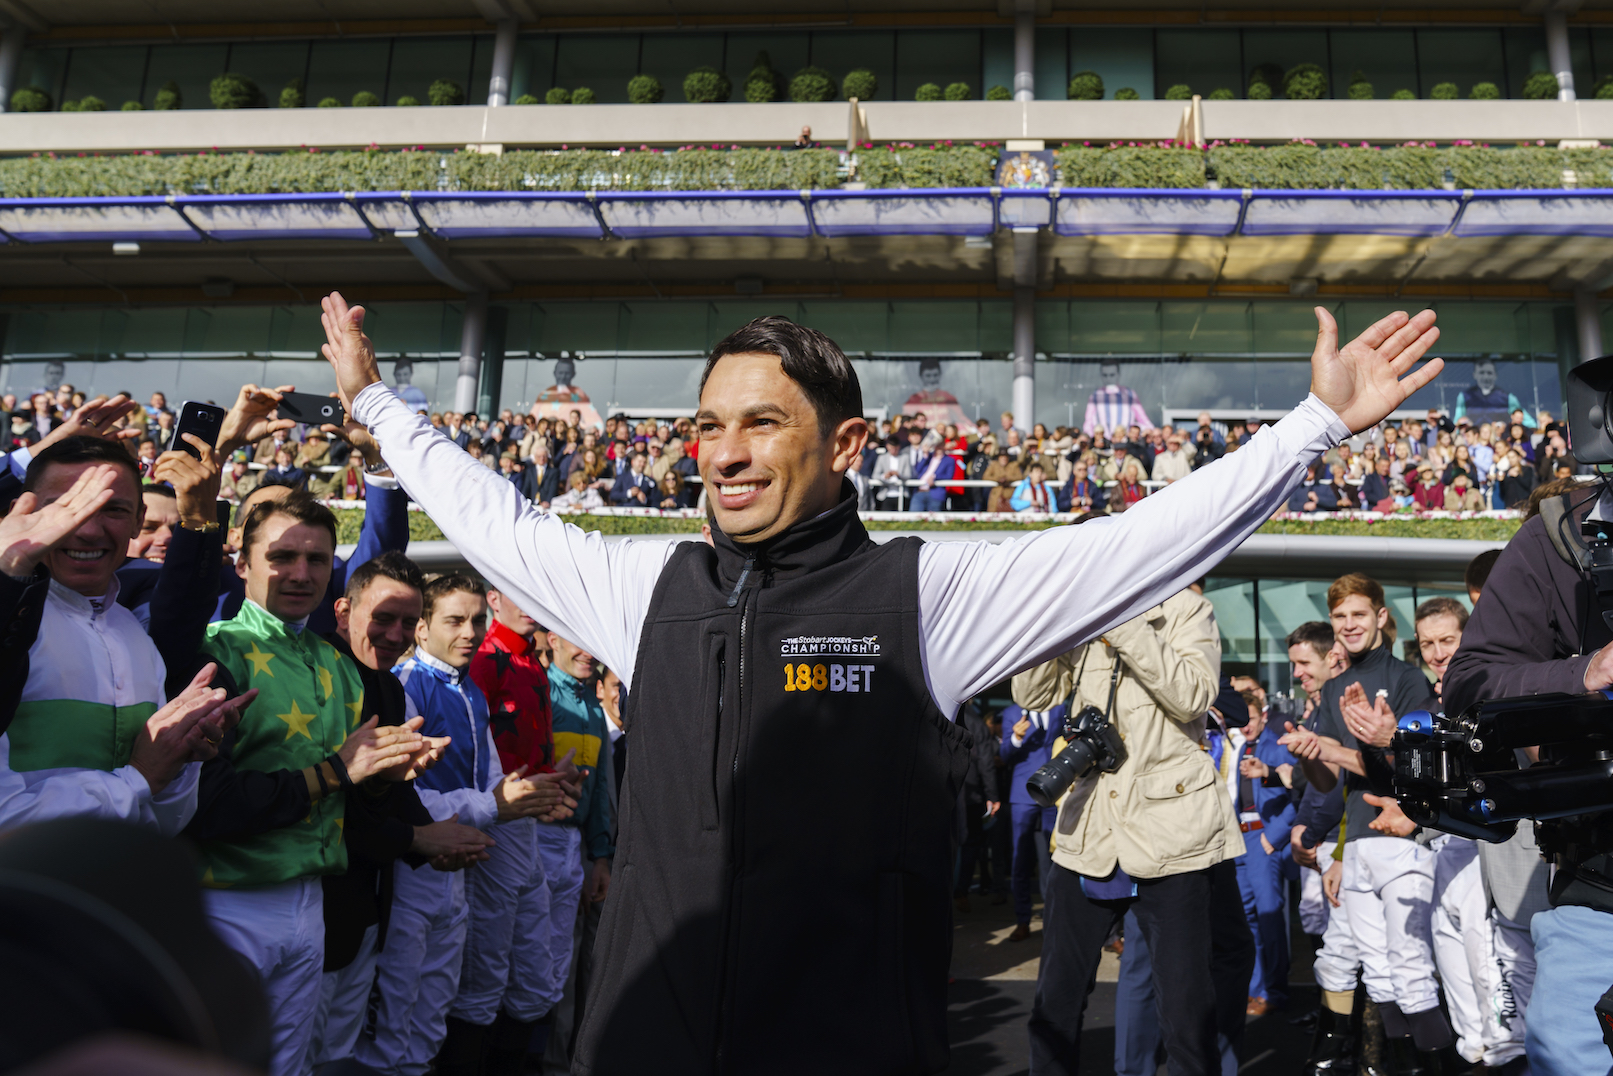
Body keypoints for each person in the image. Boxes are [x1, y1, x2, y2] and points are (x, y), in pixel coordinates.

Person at [319, 289, 1441, 1074]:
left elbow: (1134, 546)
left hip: (844, 1046)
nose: (724, 452)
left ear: (847, 443)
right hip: (640, 1042)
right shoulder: (639, 589)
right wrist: (374, 405)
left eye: (762, 422)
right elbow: (490, 517)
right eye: (709, 425)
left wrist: (1311, 426)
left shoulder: (925, 594)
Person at [187, 491, 436, 1076]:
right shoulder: (213, 652)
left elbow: (347, 792)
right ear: (242, 563)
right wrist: (339, 772)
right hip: (227, 903)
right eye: (282, 556)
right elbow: (205, 803)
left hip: (311, 906)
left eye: (317, 560)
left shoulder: (336, 664)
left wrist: (382, 777)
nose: (301, 574)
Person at [1013, 584, 1251, 1075]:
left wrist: (1120, 619)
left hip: (1173, 833)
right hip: (1087, 829)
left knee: (1185, 1012)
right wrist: (1049, 614)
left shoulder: (1187, 608)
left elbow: (1192, 698)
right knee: (1054, 1001)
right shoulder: (1072, 613)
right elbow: (1031, 694)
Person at [359, 574, 575, 1076]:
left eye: (478, 620)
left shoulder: (470, 687)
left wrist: (517, 799)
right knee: (399, 1007)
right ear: (422, 629)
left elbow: (494, 779)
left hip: (461, 858)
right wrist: (493, 808)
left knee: (439, 1007)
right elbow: (405, 796)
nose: (471, 632)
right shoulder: (410, 685)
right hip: (416, 866)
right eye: (455, 621)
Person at [307, 552, 495, 1073]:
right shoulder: (318, 678)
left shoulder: (388, 685)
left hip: (362, 907)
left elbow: (385, 791)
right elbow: (331, 800)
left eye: (406, 622)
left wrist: (432, 832)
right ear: (342, 612)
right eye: (382, 618)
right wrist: (419, 840)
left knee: (341, 1054)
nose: (395, 634)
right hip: (312, 907)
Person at [0, 439, 239, 830]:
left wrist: (178, 759)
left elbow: (164, 821)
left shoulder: (135, 638)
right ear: (21, 511)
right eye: (64, 508)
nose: (89, 529)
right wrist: (139, 776)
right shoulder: (11, 630)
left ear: (136, 518)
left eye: (113, 509)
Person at [1280, 573, 1447, 1072]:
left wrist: (1373, 742)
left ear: (1379, 616)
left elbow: (1420, 769)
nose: (1348, 625)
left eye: (1358, 614)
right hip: (1356, 845)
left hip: (1404, 837)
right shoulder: (1333, 690)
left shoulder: (1407, 680)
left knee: (1410, 969)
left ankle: (1425, 1064)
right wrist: (1315, 752)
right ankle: (1384, 1063)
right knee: (1371, 970)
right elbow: (1326, 782)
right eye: (1339, 617)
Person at [445, 586, 574, 1075]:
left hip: (530, 827)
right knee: (487, 972)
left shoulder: (528, 659)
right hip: (498, 823)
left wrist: (550, 776)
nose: (531, 606)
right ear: (495, 599)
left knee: (535, 976)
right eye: (519, 595)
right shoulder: (486, 658)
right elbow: (471, 749)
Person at [534, 630, 615, 1054]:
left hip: (576, 850)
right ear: (552, 639)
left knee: (565, 965)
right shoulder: (538, 689)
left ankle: (557, 1060)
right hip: (530, 840)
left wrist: (600, 858)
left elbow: (600, 790)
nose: (589, 652)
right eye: (577, 640)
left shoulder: (592, 705)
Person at [1232, 690, 1298, 1016]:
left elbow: (1297, 794)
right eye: (1242, 721)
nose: (1246, 727)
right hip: (1236, 841)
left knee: (1269, 918)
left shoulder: (1278, 745)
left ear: (1263, 716)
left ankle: (1275, 992)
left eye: (1252, 720)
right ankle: (1256, 989)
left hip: (1262, 839)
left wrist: (1273, 838)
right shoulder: (1233, 749)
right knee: (1246, 922)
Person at [999, 699, 1066, 943]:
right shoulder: (1011, 713)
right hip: (1023, 793)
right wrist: (1016, 738)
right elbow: (1004, 754)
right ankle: (1023, 919)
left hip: (1053, 791)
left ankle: (1053, 921)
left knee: (1053, 858)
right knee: (1020, 860)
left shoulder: (1059, 708)